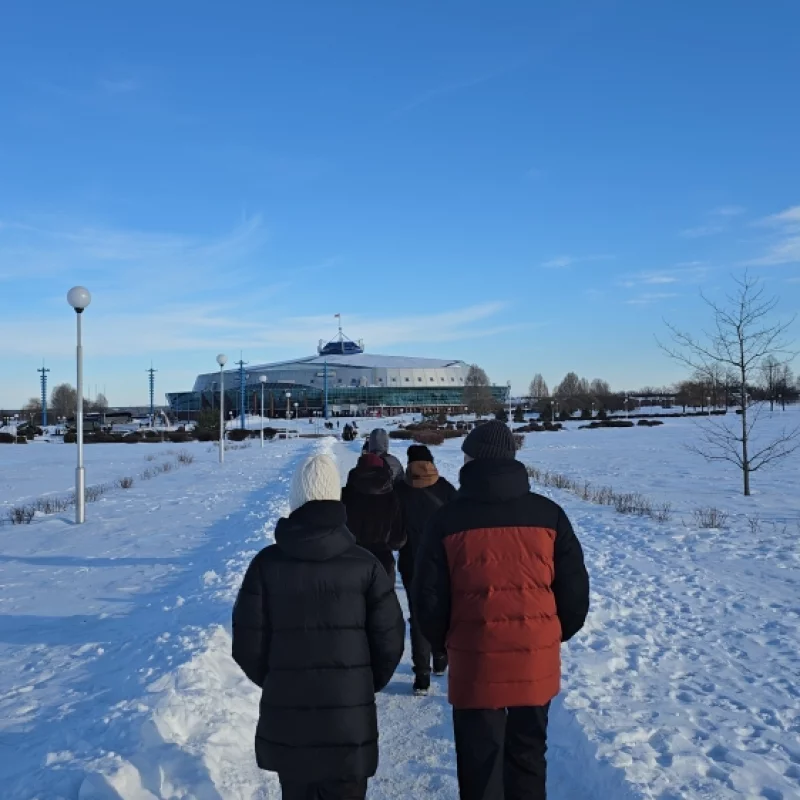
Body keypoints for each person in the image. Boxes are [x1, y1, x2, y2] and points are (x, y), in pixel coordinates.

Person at [413, 421, 590, 800]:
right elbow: (575, 593)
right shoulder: (549, 515)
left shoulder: (446, 520)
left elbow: (427, 598)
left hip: (475, 656)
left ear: (471, 460)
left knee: (480, 764)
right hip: (534, 657)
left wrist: (446, 643)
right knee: (528, 758)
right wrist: (549, 636)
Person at [232, 454, 405, 800]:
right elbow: (390, 640)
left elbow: (247, 646)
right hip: (348, 723)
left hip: (290, 719)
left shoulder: (266, 565)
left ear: (296, 498)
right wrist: (360, 684)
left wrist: (280, 681)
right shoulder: (366, 565)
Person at [395, 444, 457, 695]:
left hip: (411, 561)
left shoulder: (399, 490)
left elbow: (395, 530)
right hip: (444, 562)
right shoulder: (446, 489)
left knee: (417, 614)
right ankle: (440, 657)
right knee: (442, 608)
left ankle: (422, 674)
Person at [342, 453, 405, 583]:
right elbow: (398, 540)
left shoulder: (345, 495)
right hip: (382, 565)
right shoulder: (392, 498)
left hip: (350, 563)